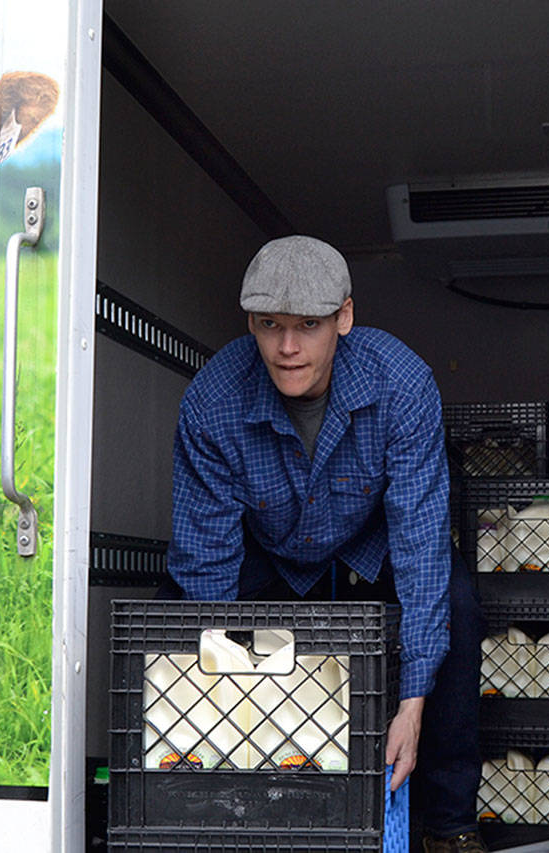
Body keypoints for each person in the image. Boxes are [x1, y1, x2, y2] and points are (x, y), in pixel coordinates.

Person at [162, 235, 487, 853]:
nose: (287, 348)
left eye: (308, 325)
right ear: (249, 323)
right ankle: (219, 811)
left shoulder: (402, 383)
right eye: (269, 326)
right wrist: (226, 704)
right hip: (267, 549)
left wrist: (411, 706)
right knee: (176, 613)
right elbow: (205, 569)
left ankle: (450, 827)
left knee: (455, 603)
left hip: (373, 544)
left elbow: (420, 547)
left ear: (344, 316)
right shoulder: (214, 399)